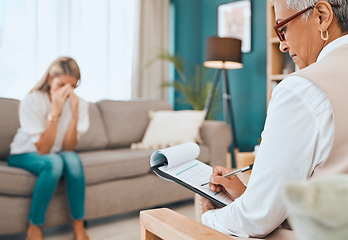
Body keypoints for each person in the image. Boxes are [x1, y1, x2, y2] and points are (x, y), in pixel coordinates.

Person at [201, 0, 348, 238]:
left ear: (322, 16)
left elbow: (254, 221)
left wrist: (208, 217)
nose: (282, 45)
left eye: (283, 28)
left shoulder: (302, 89)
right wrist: (250, 195)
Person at [8, 57, 90, 240]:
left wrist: (75, 114)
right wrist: (56, 111)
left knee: (72, 160)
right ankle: (34, 227)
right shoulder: (32, 100)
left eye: (73, 86)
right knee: (54, 162)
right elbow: (44, 149)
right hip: (23, 154)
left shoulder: (79, 103)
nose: (67, 91)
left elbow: (68, 147)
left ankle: (79, 226)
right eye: (61, 84)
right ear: (50, 79)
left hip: (57, 152)